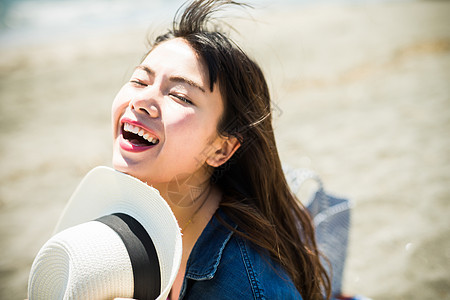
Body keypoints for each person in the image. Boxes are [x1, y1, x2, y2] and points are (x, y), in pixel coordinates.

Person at [111, 0, 331, 299]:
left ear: (221, 149)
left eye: (179, 96)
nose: (141, 101)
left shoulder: (245, 286)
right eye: (140, 80)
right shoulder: (135, 222)